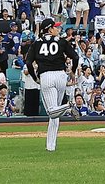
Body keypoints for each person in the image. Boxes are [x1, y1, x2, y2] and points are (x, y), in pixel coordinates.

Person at [23, 19, 78, 152]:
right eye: (55, 27)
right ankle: (50, 147)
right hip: (61, 75)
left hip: (46, 76)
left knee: (51, 111)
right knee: (55, 113)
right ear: (49, 30)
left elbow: (29, 63)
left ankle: (69, 107)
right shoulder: (62, 41)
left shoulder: (36, 44)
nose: (58, 29)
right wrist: (73, 73)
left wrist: (35, 77)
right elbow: (75, 57)